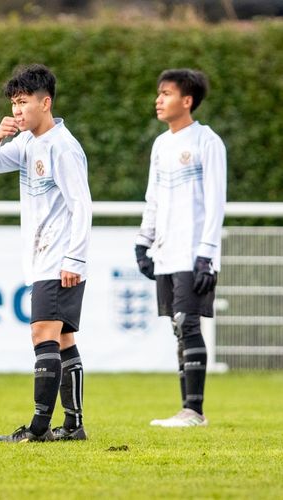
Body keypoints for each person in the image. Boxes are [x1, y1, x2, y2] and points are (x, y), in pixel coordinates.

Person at [0, 64, 92, 442]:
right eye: (13, 104)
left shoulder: (62, 146)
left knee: (42, 333)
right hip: (43, 260)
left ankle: (39, 428)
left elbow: (82, 204)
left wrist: (74, 258)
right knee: (63, 339)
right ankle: (73, 426)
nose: (17, 111)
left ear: (46, 102)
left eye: (23, 102)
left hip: (59, 261)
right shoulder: (26, 143)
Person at [135, 69, 226, 428]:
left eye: (166, 93)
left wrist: (207, 254)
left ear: (186, 101)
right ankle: (186, 409)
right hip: (167, 251)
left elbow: (216, 202)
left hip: (194, 252)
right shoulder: (161, 145)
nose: (159, 100)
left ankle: (194, 411)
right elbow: (153, 197)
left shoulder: (207, 141)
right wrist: (144, 241)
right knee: (178, 324)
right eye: (158, 93)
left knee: (189, 322)